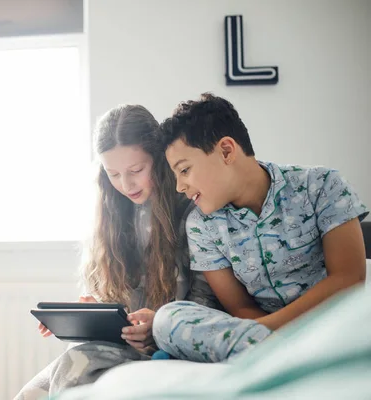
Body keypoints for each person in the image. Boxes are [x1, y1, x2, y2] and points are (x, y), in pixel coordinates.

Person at [14, 104, 221, 400]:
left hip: (168, 347)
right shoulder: (109, 215)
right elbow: (113, 293)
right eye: (113, 174)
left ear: (159, 160)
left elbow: (207, 302)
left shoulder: (191, 211)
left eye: (136, 170)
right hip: (116, 345)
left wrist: (160, 324)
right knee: (31, 394)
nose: (126, 184)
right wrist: (93, 310)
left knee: (73, 373)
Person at [152, 93, 368, 363]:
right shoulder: (201, 225)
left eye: (184, 170)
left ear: (226, 151)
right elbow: (240, 307)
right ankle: (280, 355)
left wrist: (268, 332)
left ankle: (273, 353)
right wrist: (265, 335)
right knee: (167, 319)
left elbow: (349, 279)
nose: (179, 187)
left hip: (333, 325)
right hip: (257, 335)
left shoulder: (323, 185)